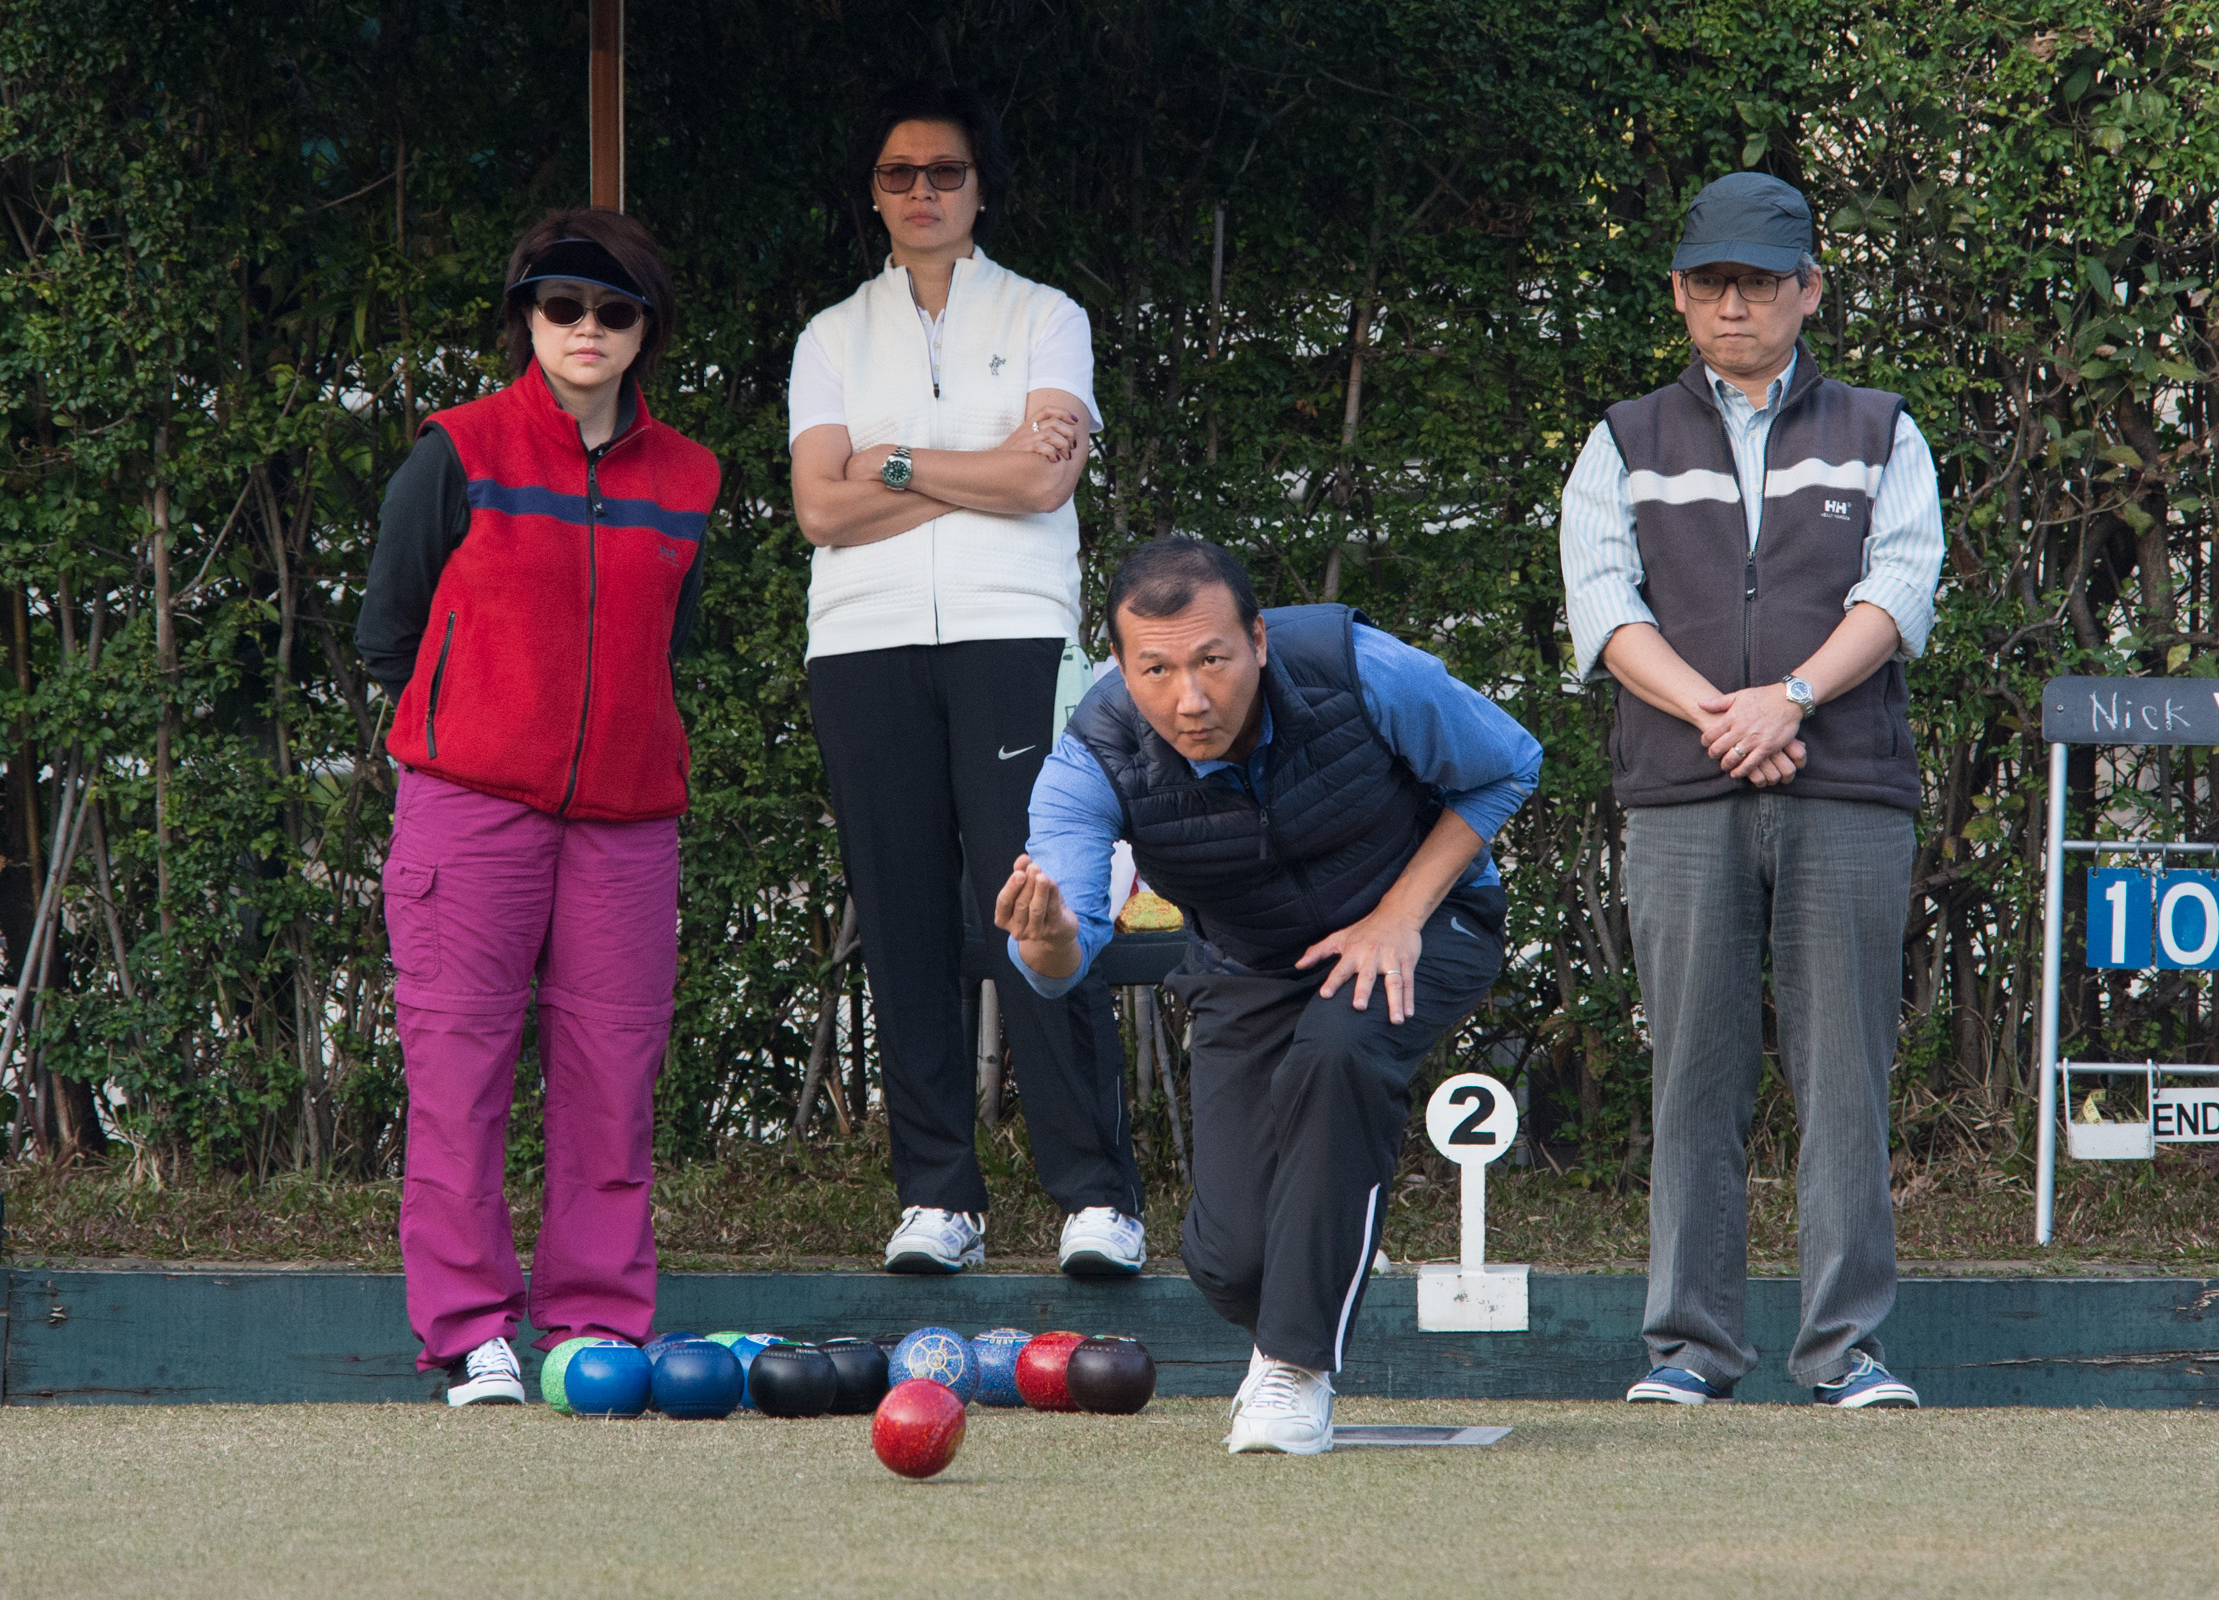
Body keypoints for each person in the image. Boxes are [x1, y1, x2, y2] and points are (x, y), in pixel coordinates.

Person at [995, 538, 1542, 1454]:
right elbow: (1063, 955)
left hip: (1425, 921)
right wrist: (1045, 940)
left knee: (1340, 1048)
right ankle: (1303, 1283)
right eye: (1157, 670)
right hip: (1248, 963)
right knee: (1229, 1262)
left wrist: (1399, 914)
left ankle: (1294, 1370)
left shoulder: (1360, 669)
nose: (1191, 699)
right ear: (1120, 668)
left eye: (1212, 660)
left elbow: (1509, 763)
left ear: (1258, 639)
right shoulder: (1091, 757)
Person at [1558, 171, 1945, 1410]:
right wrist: (1726, 715)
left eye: (1761, 282)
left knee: (1846, 1079)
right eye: (1713, 282)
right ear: (1679, 293)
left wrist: (1792, 697)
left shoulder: (1883, 429)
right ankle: (1689, 1349)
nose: (1736, 305)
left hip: (1846, 787)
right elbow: (1603, 605)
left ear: (1809, 290)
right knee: (1693, 1076)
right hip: (1682, 792)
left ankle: (1845, 1351)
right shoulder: (1623, 438)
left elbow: (1900, 587)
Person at [355, 210, 717, 1405]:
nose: (587, 329)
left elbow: (671, 640)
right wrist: (474, 723)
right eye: (563, 306)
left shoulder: (690, 477)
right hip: (469, 810)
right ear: (527, 316)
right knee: (458, 1074)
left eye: (615, 311)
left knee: (615, 1081)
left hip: (628, 822)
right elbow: (390, 630)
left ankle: (593, 1329)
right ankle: (470, 1331)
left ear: (646, 330)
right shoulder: (457, 449)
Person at [788, 81, 1145, 1276]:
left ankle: (1096, 1195)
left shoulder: (1046, 316)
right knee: (899, 917)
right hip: (861, 642)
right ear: (874, 193)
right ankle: (937, 1193)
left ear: (981, 188)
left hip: (1012, 631)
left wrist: (887, 462)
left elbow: (1043, 482)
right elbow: (818, 507)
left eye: (946, 171)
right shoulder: (832, 336)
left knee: (1039, 892)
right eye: (900, 173)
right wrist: (971, 468)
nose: (924, 191)